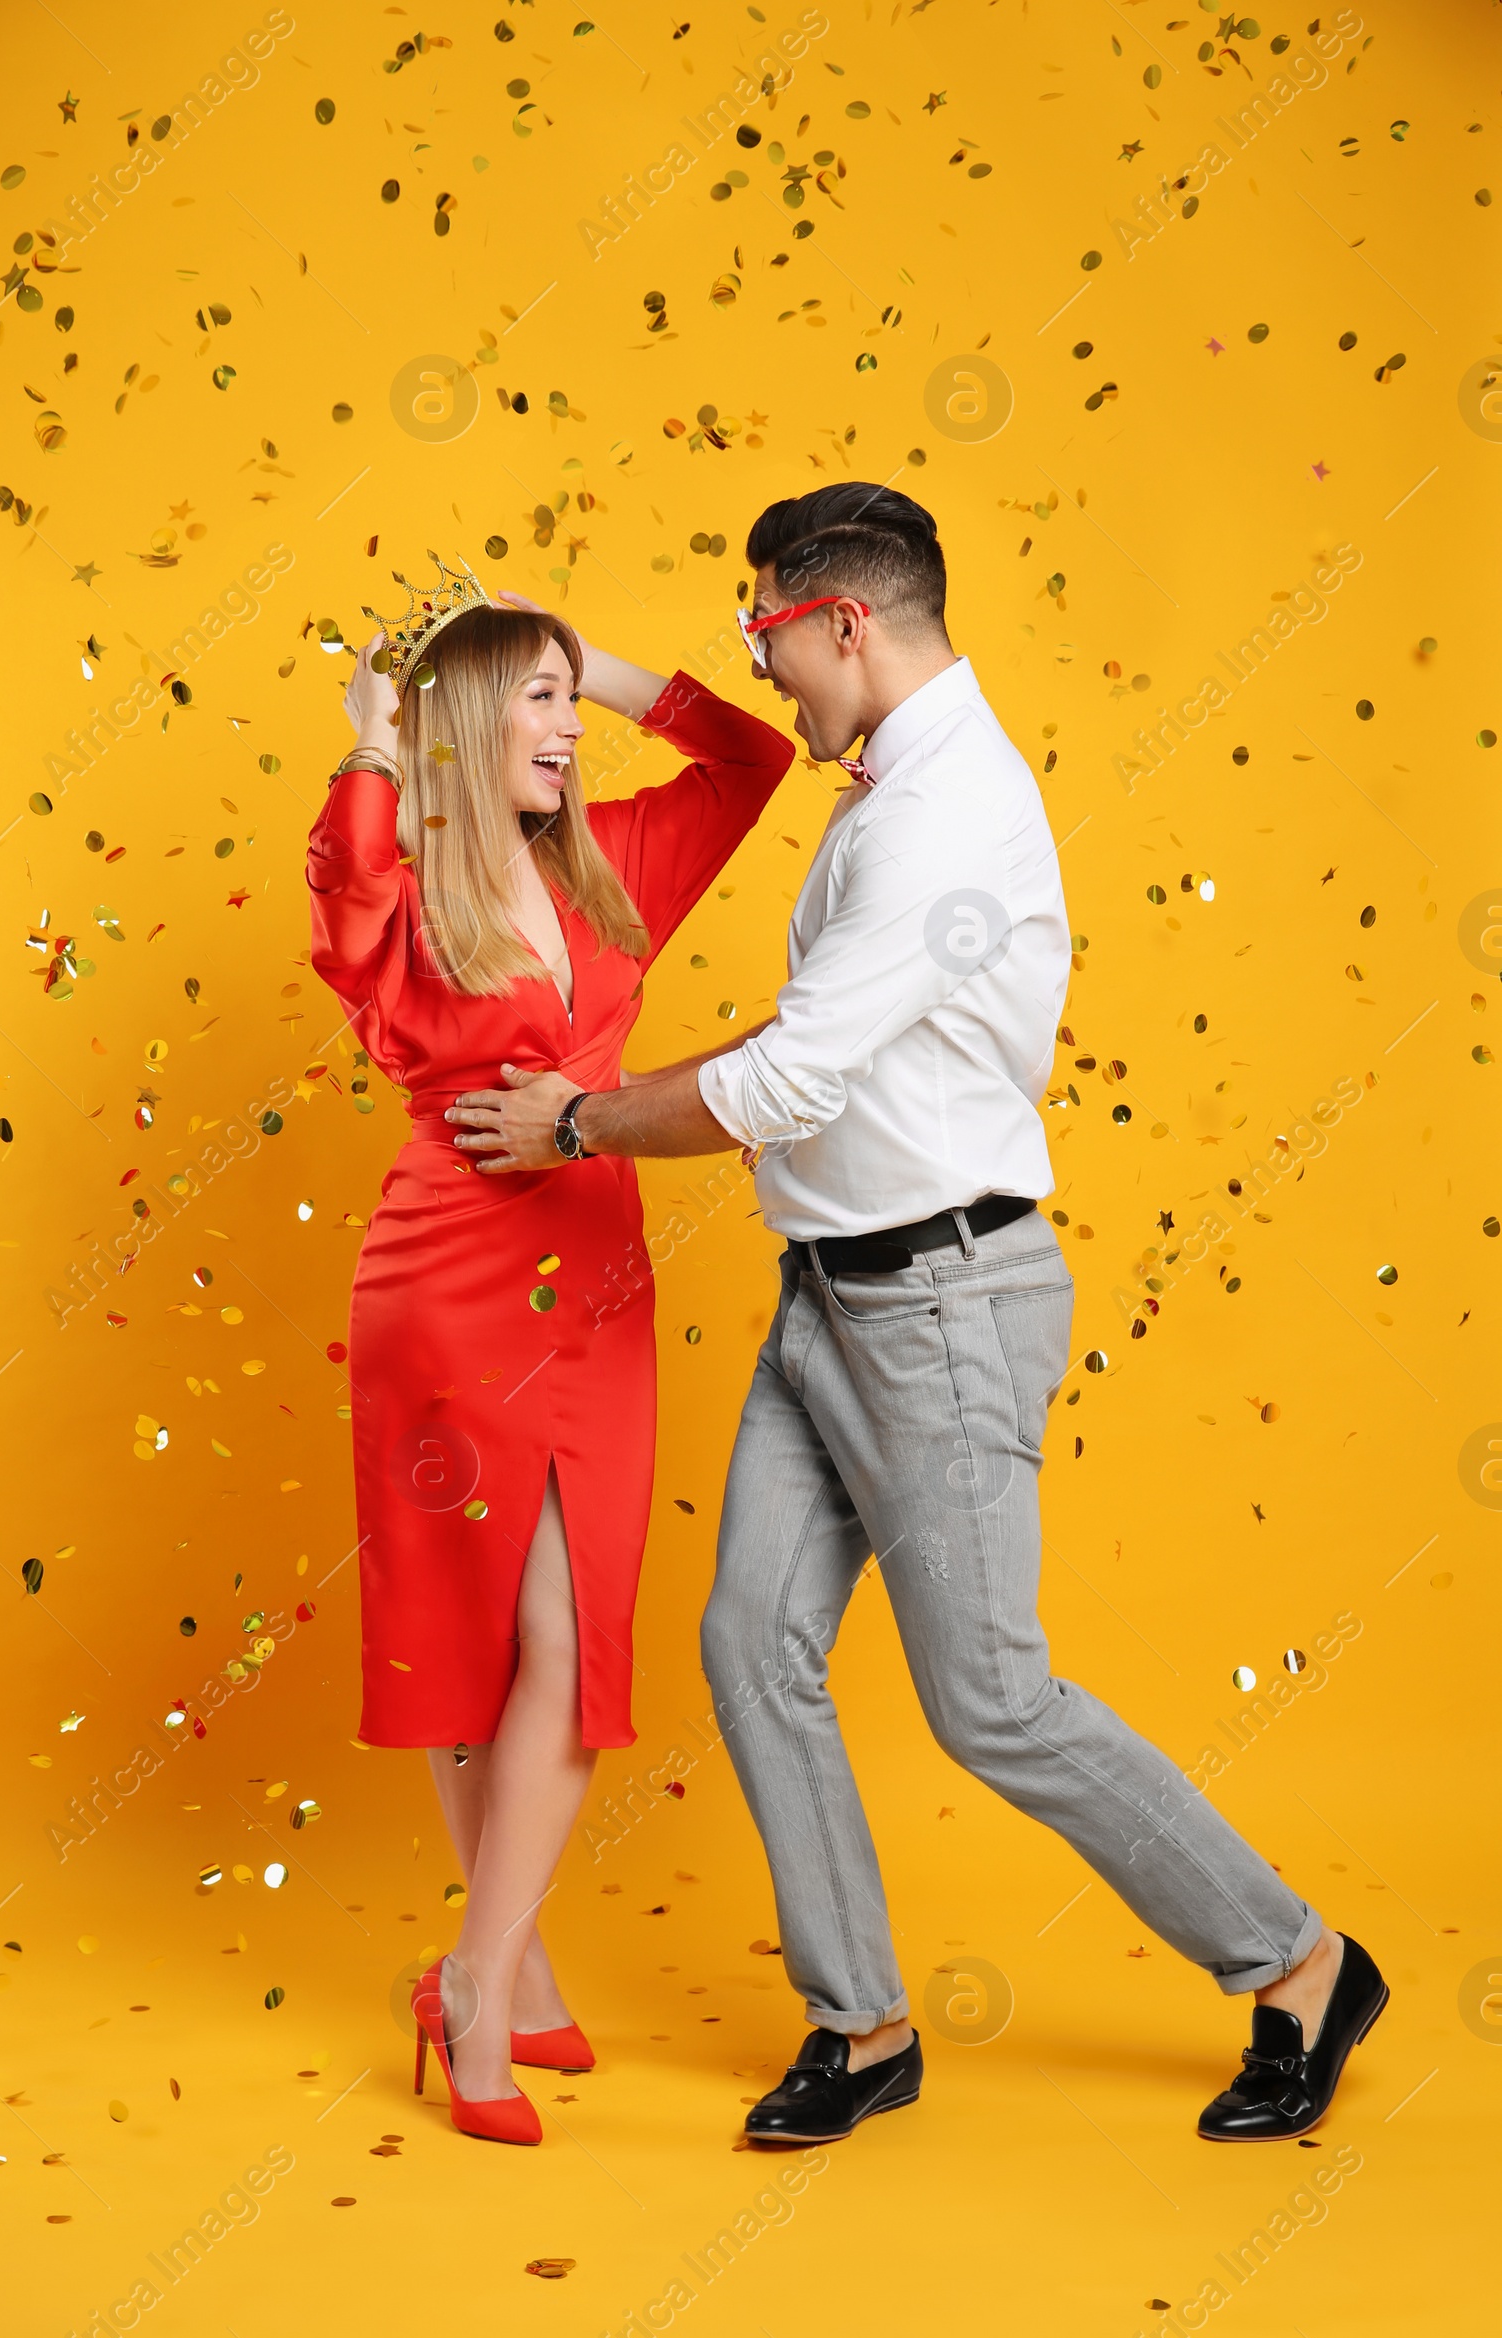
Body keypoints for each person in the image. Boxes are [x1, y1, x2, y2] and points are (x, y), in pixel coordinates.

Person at [445, 488, 1389, 2148]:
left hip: (941, 1298)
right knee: (750, 1644)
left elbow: (796, 1072)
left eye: (766, 637)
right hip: (835, 1293)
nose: (771, 678)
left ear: (839, 623)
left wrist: (578, 1122)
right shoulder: (894, 786)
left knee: (994, 1702)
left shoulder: (948, 812)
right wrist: (571, 668)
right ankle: (865, 2026)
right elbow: (826, 1051)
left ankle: (1302, 1964)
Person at [307, 563, 793, 2144]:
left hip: (591, 1281)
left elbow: (752, 757)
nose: (563, 726)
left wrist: (602, 663)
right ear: (457, 723)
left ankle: (476, 1971)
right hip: (440, 1284)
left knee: (570, 1649)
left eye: (562, 698)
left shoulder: (617, 863)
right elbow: (344, 889)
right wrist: (374, 738)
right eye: (528, 697)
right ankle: (499, 1993)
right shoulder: (405, 881)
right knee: (479, 1639)